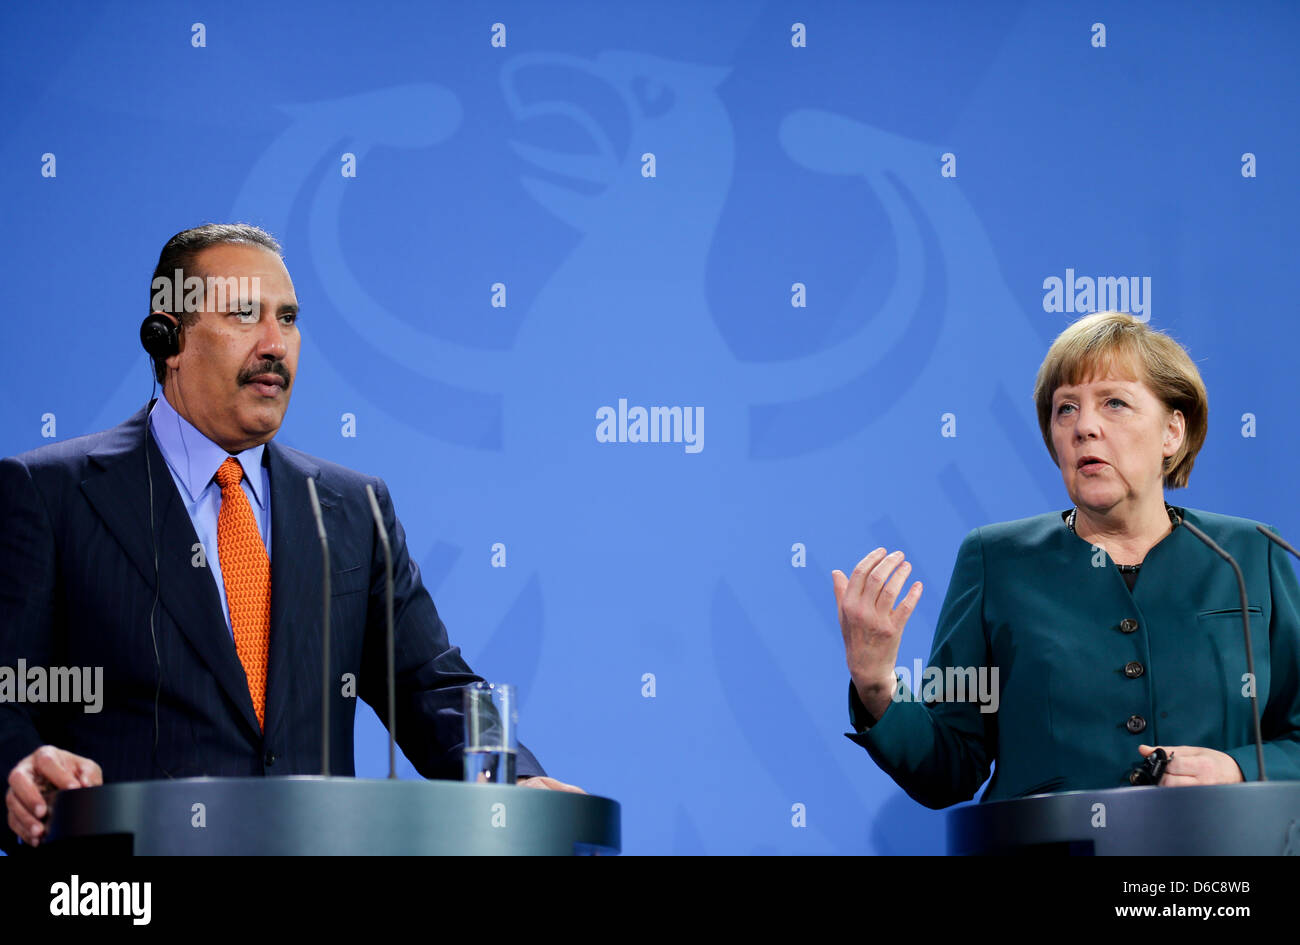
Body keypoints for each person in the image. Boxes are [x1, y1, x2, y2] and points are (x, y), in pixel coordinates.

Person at [2, 224, 580, 851]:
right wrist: (18, 767)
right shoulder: (50, 493)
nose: (275, 345)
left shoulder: (354, 507)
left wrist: (515, 775)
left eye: (289, 319)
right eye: (245, 316)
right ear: (167, 339)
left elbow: (432, 684)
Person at [833, 310, 1300, 809]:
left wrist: (1236, 768)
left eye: (1114, 403)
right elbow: (950, 770)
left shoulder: (1249, 554)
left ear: (1172, 432)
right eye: (1066, 410)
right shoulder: (996, 561)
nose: (1085, 428)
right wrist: (877, 685)